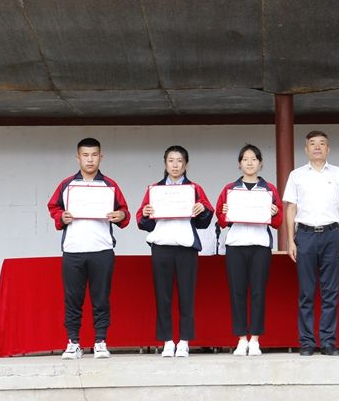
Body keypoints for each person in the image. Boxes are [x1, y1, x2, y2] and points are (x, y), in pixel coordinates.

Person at [47, 137, 130, 359]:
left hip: (102, 249)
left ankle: (101, 341)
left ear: (101, 157)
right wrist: (61, 217)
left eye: (94, 155)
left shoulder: (110, 185)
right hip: (73, 250)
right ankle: (73, 342)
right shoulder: (66, 185)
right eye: (85, 155)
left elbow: (124, 212)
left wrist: (120, 215)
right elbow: (53, 207)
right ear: (78, 158)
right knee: (72, 299)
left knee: (101, 298)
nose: (90, 159)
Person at [136, 145, 214, 357]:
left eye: (179, 161)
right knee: (163, 296)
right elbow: (142, 221)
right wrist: (145, 213)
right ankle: (168, 341)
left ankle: (184, 341)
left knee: (187, 295)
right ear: (165, 163)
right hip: (161, 247)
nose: (175, 165)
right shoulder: (154, 189)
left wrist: (203, 210)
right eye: (171, 161)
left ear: (186, 164)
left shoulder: (194, 189)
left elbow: (205, 220)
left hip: (186, 249)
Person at [283, 130, 339, 356]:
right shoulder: (296, 175)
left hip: (331, 234)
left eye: (322, 143)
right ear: (306, 149)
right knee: (306, 292)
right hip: (304, 235)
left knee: (330, 291)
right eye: (312, 144)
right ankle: (306, 342)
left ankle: (328, 341)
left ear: (328, 149)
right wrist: (290, 240)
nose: (317, 147)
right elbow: (291, 208)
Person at [215, 145, 283, 356]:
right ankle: (240, 339)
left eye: (254, 159)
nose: (250, 162)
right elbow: (221, 220)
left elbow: (278, 222)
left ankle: (255, 339)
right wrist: (224, 212)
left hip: (260, 245)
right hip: (236, 245)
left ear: (260, 163)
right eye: (245, 159)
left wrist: (274, 212)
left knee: (258, 292)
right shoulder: (230, 189)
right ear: (240, 163)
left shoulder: (269, 189)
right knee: (237, 292)